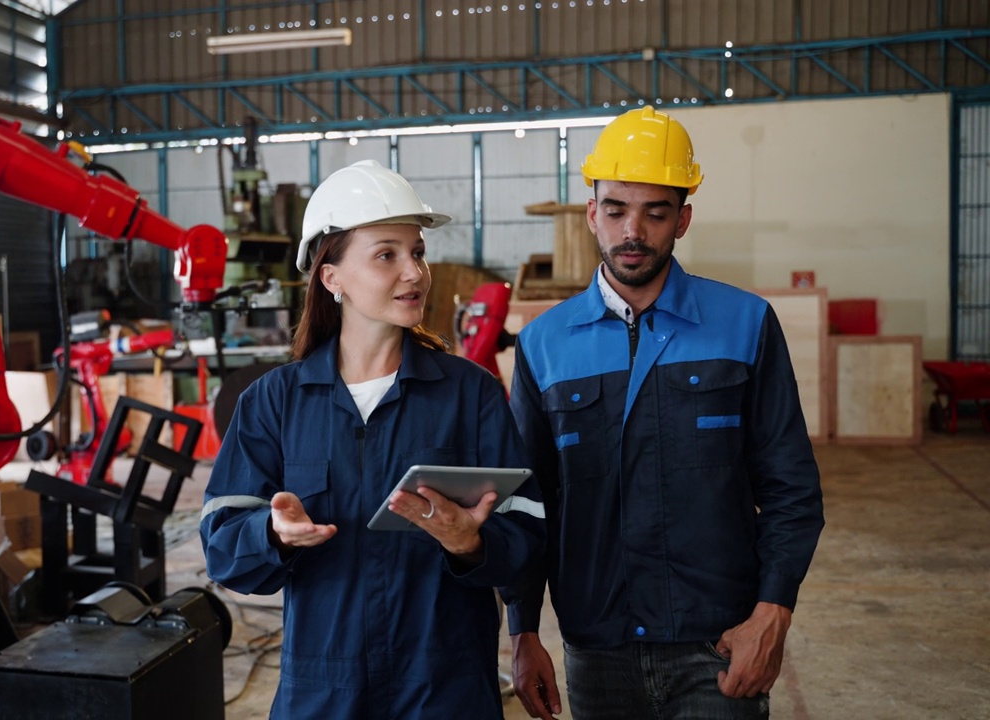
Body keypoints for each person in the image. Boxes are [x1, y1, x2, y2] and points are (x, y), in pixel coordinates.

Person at [501, 107, 825, 720]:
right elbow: (528, 501)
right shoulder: (544, 344)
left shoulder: (745, 324)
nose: (634, 232)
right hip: (598, 647)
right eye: (617, 209)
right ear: (593, 212)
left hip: (719, 645)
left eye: (656, 212)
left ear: (683, 219)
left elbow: (791, 488)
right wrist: (522, 631)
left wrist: (773, 613)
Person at [200, 159, 546, 719]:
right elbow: (221, 543)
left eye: (418, 252)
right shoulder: (274, 403)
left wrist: (472, 545)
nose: (414, 272)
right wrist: (273, 532)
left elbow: (527, 533)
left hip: (445, 689)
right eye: (387, 254)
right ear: (331, 278)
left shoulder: (470, 395)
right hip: (322, 691)